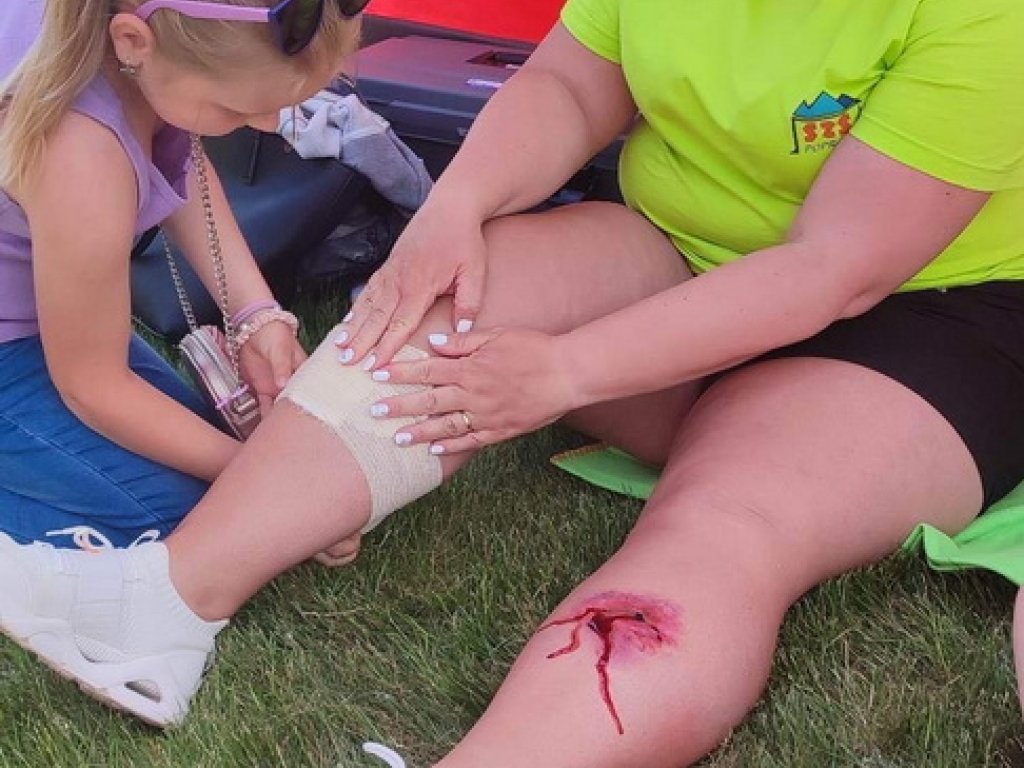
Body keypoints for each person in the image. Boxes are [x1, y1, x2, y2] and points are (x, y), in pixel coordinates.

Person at [2, 0, 1024, 761]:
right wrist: (454, 211)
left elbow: (834, 271)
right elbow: (569, 87)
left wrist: (567, 368)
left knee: (723, 524)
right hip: (678, 247)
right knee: (437, 302)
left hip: (917, 324)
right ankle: (162, 604)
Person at [0, 0, 362, 553]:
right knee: (174, 522)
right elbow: (92, 387)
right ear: (132, 42)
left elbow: (177, 155)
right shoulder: (80, 155)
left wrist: (255, 313)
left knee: (201, 468)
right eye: (236, 109)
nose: (267, 125)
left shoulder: (118, 42)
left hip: (42, 325)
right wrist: (271, 481)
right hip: (19, 343)